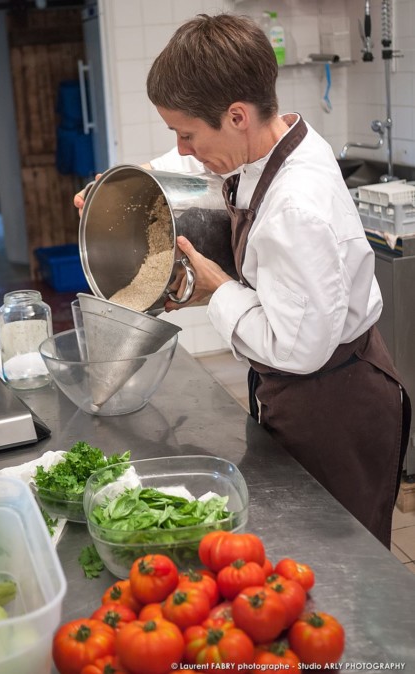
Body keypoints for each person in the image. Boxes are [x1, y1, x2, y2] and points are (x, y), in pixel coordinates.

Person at [74, 13, 410, 548]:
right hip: (306, 390)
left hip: (334, 405)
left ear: (236, 116)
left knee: (340, 562)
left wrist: (215, 291)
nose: (182, 148)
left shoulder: (296, 208)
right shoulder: (275, 140)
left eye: (186, 133)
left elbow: (296, 348)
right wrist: (130, 181)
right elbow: (206, 167)